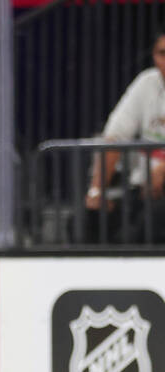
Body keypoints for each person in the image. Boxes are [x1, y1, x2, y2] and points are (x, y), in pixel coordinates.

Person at [85, 29, 165, 243]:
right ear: (154, 56)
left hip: (158, 197)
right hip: (143, 189)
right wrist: (96, 190)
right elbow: (114, 137)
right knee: (89, 219)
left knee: (150, 221)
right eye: (162, 53)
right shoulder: (147, 83)